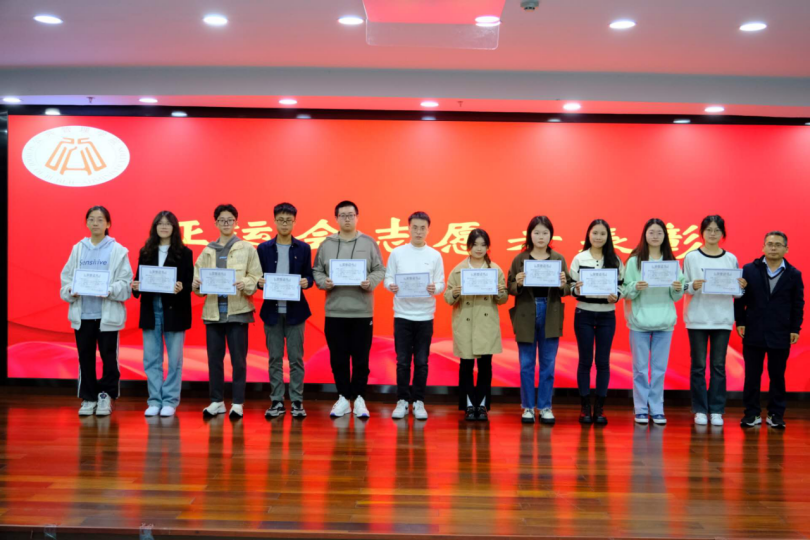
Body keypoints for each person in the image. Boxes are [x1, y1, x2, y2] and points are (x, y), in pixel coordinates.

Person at [312, 200, 385, 418]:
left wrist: (370, 282)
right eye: (342, 215)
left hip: (362, 312)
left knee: (361, 358)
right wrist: (323, 282)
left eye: (351, 215)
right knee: (338, 358)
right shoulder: (326, 244)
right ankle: (343, 397)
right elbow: (316, 270)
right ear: (336, 218)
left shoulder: (368, 243)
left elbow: (379, 269)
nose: (347, 219)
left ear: (357, 217)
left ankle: (359, 398)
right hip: (335, 311)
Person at [59, 206, 132, 417]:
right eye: (91, 219)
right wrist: (71, 290)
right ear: (86, 223)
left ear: (108, 224)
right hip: (83, 314)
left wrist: (109, 289)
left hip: (107, 316)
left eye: (100, 219)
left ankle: (106, 396)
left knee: (109, 358)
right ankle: (89, 397)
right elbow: (66, 279)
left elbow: (125, 283)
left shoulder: (118, 250)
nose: (95, 223)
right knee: (85, 357)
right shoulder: (78, 249)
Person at [192, 204, 262, 420]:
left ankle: (238, 403)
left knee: (238, 361)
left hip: (238, 311)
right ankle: (217, 401)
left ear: (236, 222)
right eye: (222, 220)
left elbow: (256, 277)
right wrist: (197, 284)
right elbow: (196, 284)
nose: (226, 223)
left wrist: (245, 283)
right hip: (213, 313)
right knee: (214, 360)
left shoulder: (247, 248)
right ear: (215, 223)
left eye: (230, 219)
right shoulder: (207, 250)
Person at [735, 231, 804, 429]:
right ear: (763, 247)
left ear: (786, 249)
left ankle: (776, 414)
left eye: (778, 244)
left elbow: (797, 304)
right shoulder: (749, 270)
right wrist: (740, 321)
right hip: (753, 329)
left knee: (777, 376)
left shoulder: (794, 274)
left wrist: (795, 328)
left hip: (781, 332)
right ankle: (751, 413)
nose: (773, 248)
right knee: (752, 375)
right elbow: (740, 297)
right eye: (770, 244)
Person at [683, 215, 746, 427]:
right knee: (698, 366)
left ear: (722, 234)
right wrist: (693, 285)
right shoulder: (691, 257)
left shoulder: (730, 258)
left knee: (718, 366)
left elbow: (736, 294)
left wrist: (741, 287)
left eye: (716, 230)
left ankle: (717, 410)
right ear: (702, 233)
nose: (712, 233)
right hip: (697, 319)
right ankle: (700, 410)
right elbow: (683, 287)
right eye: (708, 229)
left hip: (722, 319)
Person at [508, 216, 570, 425]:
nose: (541, 237)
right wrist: (517, 283)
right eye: (537, 233)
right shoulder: (520, 259)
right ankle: (527, 406)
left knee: (548, 363)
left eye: (545, 233)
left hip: (550, 311)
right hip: (526, 311)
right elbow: (509, 287)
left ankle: (545, 407)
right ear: (530, 235)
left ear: (551, 235)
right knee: (526, 364)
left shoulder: (558, 258)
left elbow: (568, 288)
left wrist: (562, 285)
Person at [621, 218, 685, 426]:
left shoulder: (671, 262)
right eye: (651, 232)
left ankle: (657, 408)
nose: (655, 236)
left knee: (659, 370)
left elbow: (677, 295)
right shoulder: (634, 261)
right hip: (639, 322)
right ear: (645, 235)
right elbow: (625, 290)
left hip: (664, 322)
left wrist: (677, 288)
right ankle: (640, 409)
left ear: (665, 236)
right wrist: (635, 287)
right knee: (640, 369)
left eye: (659, 232)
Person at [384, 211, 445, 421]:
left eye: (423, 228)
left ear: (428, 229)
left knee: (421, 361)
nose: (418, 231)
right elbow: (387, 278)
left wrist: (434, 288)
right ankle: (402, 400)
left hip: (425, 316)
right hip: (402, 315)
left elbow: (441, 283)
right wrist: (391, 285)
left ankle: (418, 401)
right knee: (402, 361)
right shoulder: (397, 253)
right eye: (415, 227)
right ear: (408, 228)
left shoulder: (435, 255)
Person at [132, 211, 193, 417]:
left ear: (174, 228)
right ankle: (154, 400)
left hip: (175, 310)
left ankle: (170, 401)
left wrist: (181, 287)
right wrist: (136, 286)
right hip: (151, 308)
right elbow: (138, 280)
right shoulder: (146, 251)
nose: (164, 227)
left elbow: (189, 283)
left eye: (168, 224)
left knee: (174, 360)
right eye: (160, 223)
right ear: (155, 227)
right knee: (151, 358)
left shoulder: (185, 253)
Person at [257, 202, 314, 419]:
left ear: (294, 222)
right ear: (274, 221)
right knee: (274, 358)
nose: (284, 224)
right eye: (280, 220)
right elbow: (256, 276)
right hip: (271, 312)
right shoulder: (263, 249)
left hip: (296, 312)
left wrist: (306, 282)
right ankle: (277, 401)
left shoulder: (303, 248)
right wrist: (259, 282)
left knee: (296, 358)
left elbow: (309, 275)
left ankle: (297, 401)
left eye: (288, 220)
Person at [444, 229, 508, 421]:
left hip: (486, 324)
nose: (479, 249)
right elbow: (447, 298)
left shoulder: (495, 270)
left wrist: (499, 292)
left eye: (483, 245)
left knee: (485, 366)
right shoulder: (458, 270)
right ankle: (468, 405)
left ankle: (482, 405)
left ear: (488, 247)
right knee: (466, 366)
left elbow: (503, 299)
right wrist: (455, 292)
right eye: (475, 245)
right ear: (468, 247)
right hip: (465, 323)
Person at [570, 219, 625, 425]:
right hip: (583, 313)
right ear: (588, 235)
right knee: (585, 361)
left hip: (606, 315)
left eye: (602, 233)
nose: (598, 237)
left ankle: (600, 407)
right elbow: (571, 286)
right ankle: (585, 406)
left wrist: (616, 296)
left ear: (608, 236)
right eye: (595, 233)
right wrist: (576, 289)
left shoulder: (615, 260)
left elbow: (622, 286)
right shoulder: (579, 258)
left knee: (603, 362)